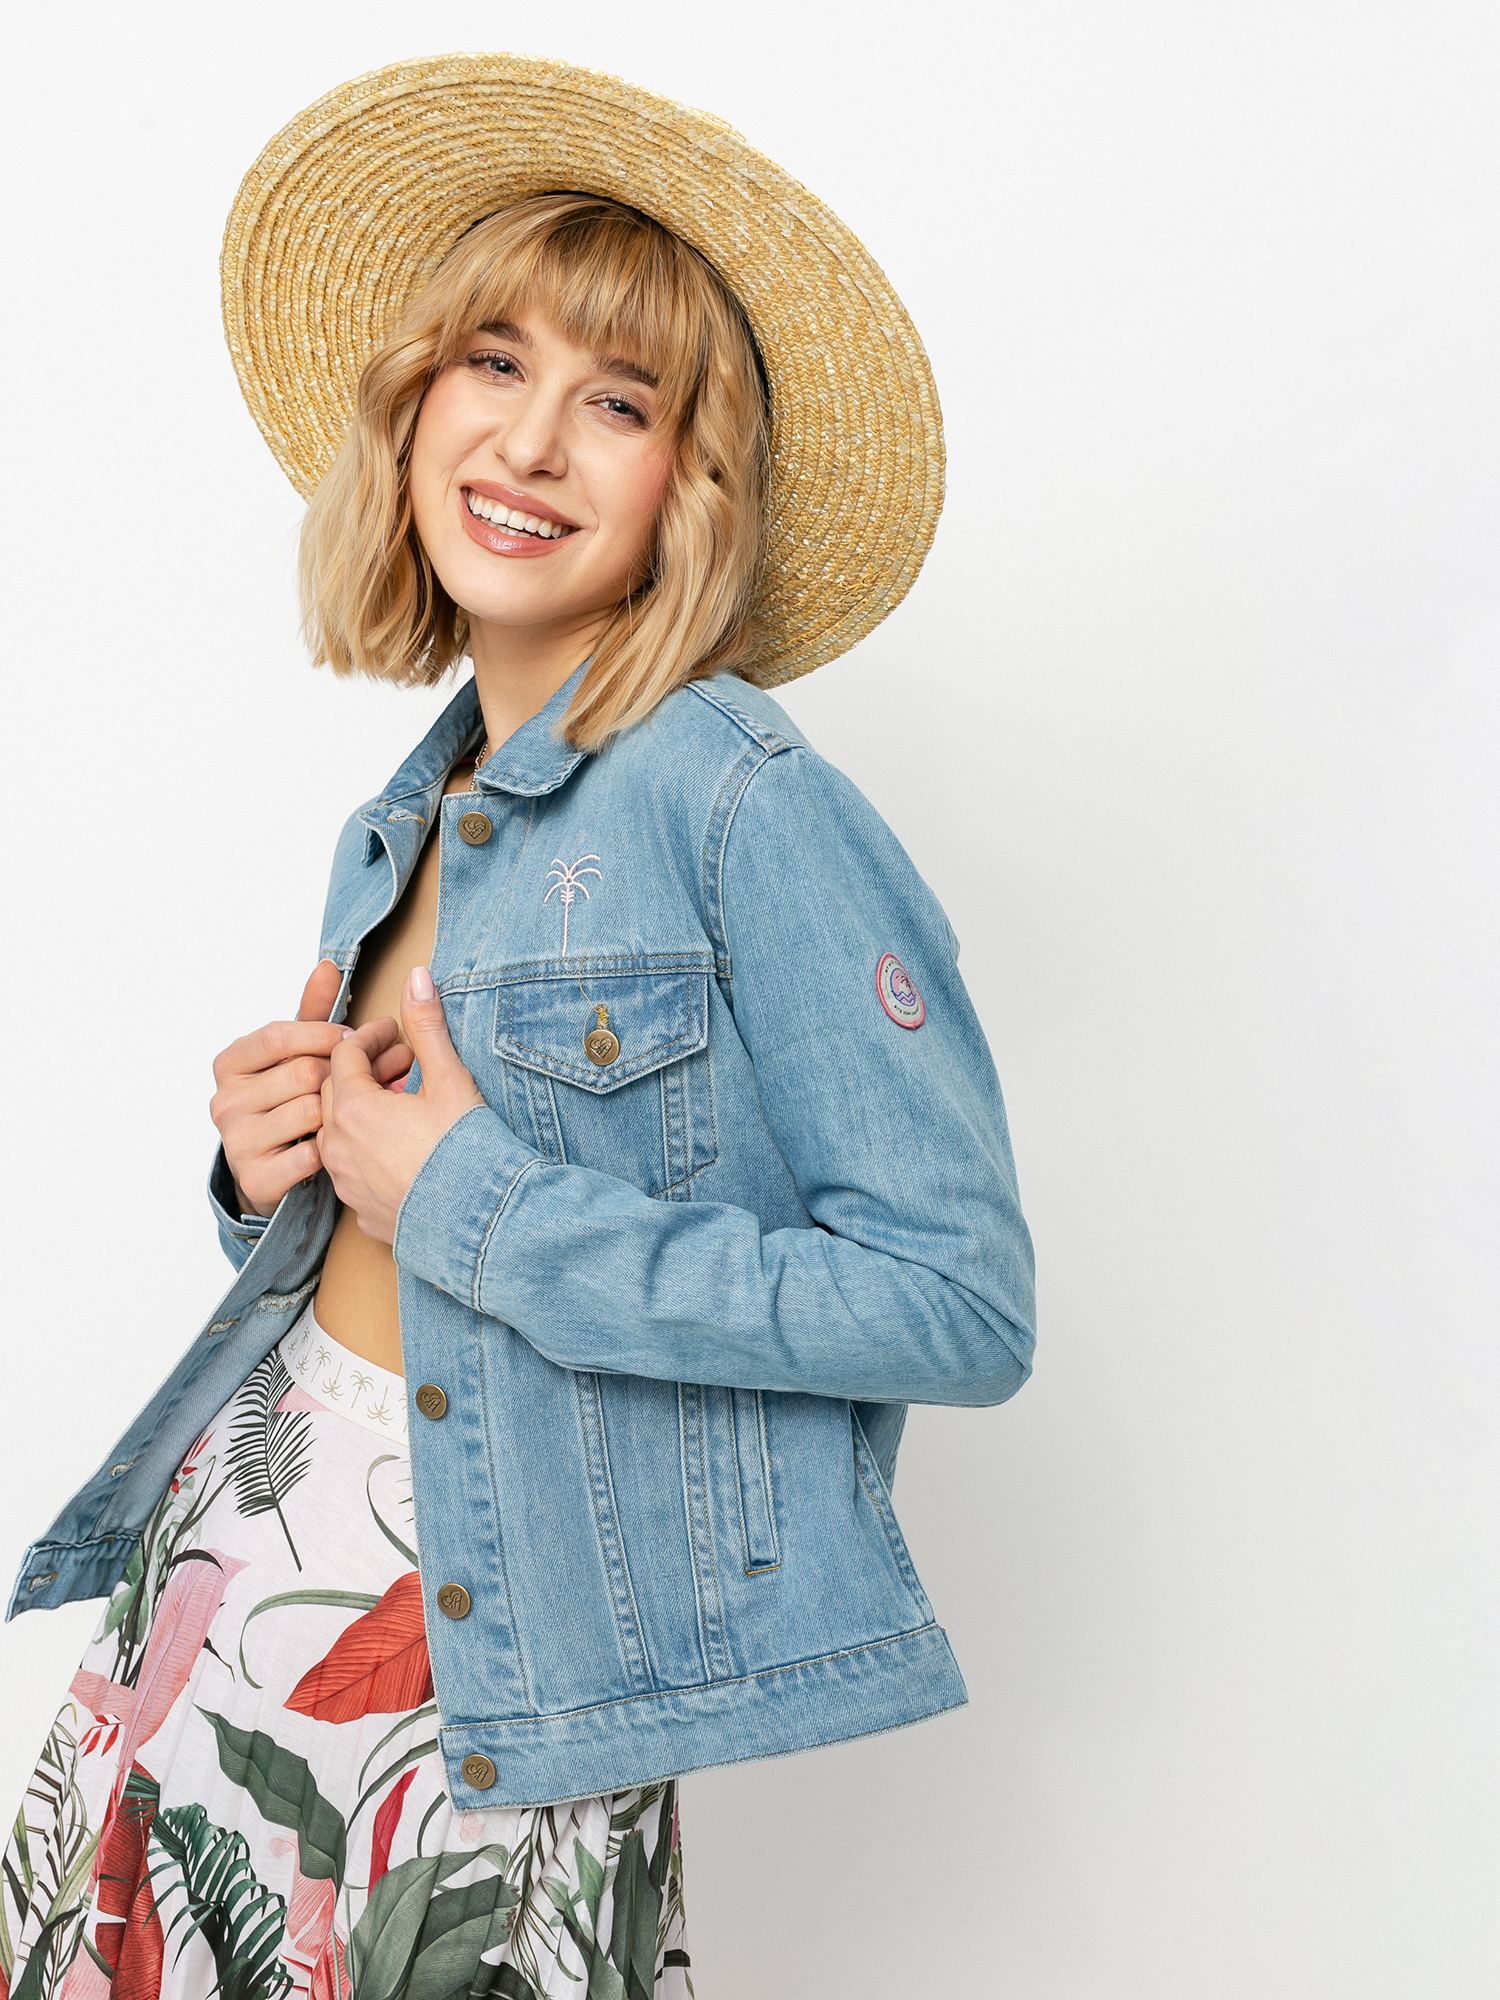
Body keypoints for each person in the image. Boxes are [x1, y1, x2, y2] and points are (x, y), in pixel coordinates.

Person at [1, 53, 1035, 2000]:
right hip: (228, 1564)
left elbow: (956, 1301)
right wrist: (274, 1173)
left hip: (487, 1658)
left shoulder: (740, 799)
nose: (535, 442)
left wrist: (474, 1200)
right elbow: (396, 1250)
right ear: (413, 406)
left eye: (619, 402)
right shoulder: (421, 796)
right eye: (495, 362)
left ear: (688, 486)